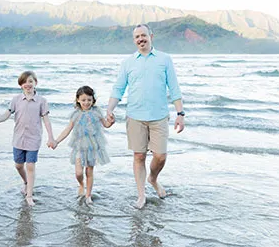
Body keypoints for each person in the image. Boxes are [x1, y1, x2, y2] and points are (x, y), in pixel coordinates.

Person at [106, 24, 185, 209]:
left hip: (159, 116)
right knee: (139, 156)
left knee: (161, 156)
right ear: (134, 40)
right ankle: (141, 195)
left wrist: (180, 113)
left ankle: (153, 178)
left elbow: (174, 88)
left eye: (143, 35)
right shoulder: (128, 63)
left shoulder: (165, 59)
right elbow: (118, 88)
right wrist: (110, 109)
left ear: (151, 36)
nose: (140, 39)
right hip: (135, 116)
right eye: (137, 37)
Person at [0, 71, 55, 206]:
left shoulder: (42, 101)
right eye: (24, 82)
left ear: (36, 83)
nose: (27, 84)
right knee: (18, 165)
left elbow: (46, 120)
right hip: (18, 138)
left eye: (30, 81)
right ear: (20, 85)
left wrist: (51, 138)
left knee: (30, 166)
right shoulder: (16, 100)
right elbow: (6, 115)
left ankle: (29, 195)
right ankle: (25, 182)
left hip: (34, 139)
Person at [52, 86, 113, 204]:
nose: (86, 102)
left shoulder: (97, 112)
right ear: (78, 100)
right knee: (79, 173)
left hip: (92, 147)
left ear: (93, 100)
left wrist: (110, 122)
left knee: (89, 172)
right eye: (83, 100)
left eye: (89, 100)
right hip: (79, 146)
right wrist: (56, 141)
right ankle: (81, 184)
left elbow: (105, 124)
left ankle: (88, 195)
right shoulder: (76, 114)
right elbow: (67, 130)